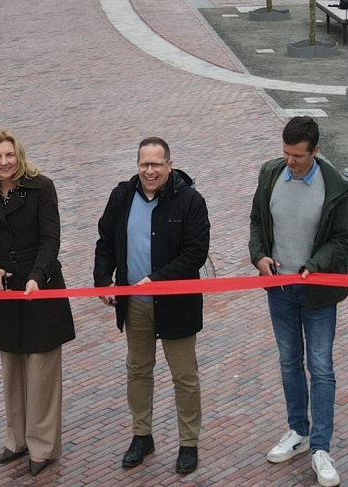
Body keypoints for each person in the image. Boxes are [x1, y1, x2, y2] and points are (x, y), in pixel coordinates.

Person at [94, 137, 211, 475]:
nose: (149, 170)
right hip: (135, 306)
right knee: (138, 370)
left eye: (156, 164)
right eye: (144, 164)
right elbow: (105, 241)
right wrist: (103, 279)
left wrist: (158, 278)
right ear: (137, 165)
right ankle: (141, 435)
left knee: (184, 376)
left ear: (169, 165)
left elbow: (194, 254)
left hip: (176, 305)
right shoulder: (121, 196)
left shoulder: (190, 201)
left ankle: (188, 443)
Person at [248, 117, 348, 487]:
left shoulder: (335, 186)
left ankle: (321, 447)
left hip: (317, 290)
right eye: (286, 153)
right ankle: (298, 431)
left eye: (297, 156)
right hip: (279, 288)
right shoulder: (270, 174)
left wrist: (315, 265)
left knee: (320, 366)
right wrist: (258, 255)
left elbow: (343, 240)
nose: (290, 161)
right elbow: (257, 223)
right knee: (289, 360)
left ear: (315, 151)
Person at [0, 129, 76, 476]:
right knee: (12, 370)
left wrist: (37, 275)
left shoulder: (41, 188)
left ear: (19, 156)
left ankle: (42, 446)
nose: (4, 162)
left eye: (9, 155)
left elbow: (51, 238)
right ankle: (16, 440)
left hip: (39, 288)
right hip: (3, 292)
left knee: (41, 372)